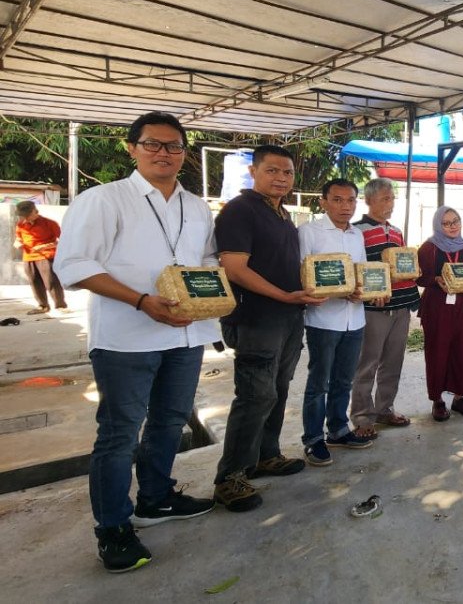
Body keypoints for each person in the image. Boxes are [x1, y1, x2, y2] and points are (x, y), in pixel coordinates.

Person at [54, 112, 217, 573]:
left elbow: (205, 261)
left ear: (184, 152)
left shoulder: (196, 205)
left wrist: (208, 297)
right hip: (127, 337)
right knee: (120, 433)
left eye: (174, 146)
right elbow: (75, 265)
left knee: (168, 421)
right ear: (132, 148)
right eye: (153, 144)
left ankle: (155, 498)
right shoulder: (103, 200)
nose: (164, 153)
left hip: (186, 333)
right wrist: (141, 300)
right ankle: (112, 527)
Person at [212, 145, 324, 513]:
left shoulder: (281, 214)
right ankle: (230, 478)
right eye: (273, 170)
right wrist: (282, 296)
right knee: (255, 394)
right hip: (256, 319)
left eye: (287, 172)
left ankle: (266, 455)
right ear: (254, 172)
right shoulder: (240, 211)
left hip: (289, 317)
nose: (281, 178)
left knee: (277, 389)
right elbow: (234, 267)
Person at [297, 179, 374, 467]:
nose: (345, 206)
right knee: (319, 382)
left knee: (344, 379)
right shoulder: (308, 231)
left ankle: (339, 430)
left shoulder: (357, 235)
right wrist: (338, 289)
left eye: (351, 200)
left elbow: (362, 273)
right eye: (338, 200)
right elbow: (303, 273)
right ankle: (313, 438)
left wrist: (364, 290)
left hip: (354, 319)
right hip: (323, 320)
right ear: (324, 201)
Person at [350, 178, 419, 435]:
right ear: (368, 200)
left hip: (400, 306)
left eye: (392, 198)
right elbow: (357, 268)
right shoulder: (356, 231)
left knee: (393, 362)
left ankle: (385, 409)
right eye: (384, 199)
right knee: (367, 363)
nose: (390, 204)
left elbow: (400, 266)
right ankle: (362, 417)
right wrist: (371, 292)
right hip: (374, 308)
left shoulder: (396, 231)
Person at [416, 206, 463, 421]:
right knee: (437, 353)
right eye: (446, 223)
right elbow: (420, 277)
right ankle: (437, 400)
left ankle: (459, 397)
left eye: (456, 221)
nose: (453, 226)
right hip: (437, 307)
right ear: (438, 225)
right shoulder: (428, 248)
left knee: (462, 351)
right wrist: (436, 279)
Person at [14, 200, 68, 315]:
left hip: (46, 256)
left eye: (27, 216)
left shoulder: (49, 223)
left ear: (35, 212)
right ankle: (42, 306)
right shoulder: (21, 225)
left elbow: (63, 241)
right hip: (28, 257)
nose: (25, 219)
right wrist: (17, 243)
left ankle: (60, 305)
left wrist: (45, 246)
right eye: (24, 216)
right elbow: (18, 239)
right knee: (34, 282)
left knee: (51, 281)